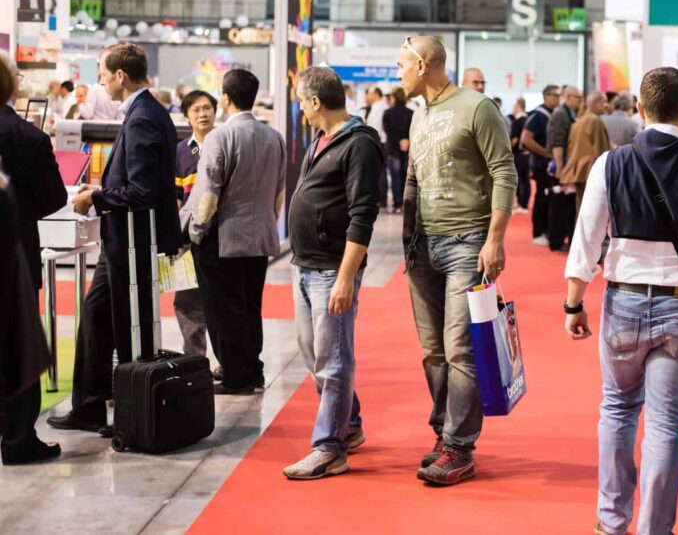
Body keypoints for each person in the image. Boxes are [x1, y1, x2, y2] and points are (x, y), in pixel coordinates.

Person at [562, 66, 678, 535]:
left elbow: (586, 238)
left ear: (640, 109)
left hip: (623, 301)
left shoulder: (612, 163)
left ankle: (611, 521)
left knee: (617, 410)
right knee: (666, 426)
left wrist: (573, 302)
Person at [398, 36, 516, 486]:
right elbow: (413, 179)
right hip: (422, 247)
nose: (398, 74)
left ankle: (459, 446)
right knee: (432, 352)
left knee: (459, 348)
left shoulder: (476, 107)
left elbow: (505, 172)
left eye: (401, 66)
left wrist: (495, 240)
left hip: (468, 242)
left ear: (423, 64)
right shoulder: (420, 114)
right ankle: (443, 432)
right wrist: (407, 240)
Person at [50, 43, 182, 435]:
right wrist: (105, 188)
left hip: (132, 240)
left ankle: (128, 412)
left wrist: (97, 197)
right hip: (124, 239)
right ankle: (91, 407)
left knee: (129, 327)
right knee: (97, 317)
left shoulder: (143, 117)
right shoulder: (148, 111)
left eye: (103, 74)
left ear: (121, 76)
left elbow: (141, 191)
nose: (100, 81)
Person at [283, 67, 384, 480]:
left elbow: (363, 216)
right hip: (304, 265)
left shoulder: (358, 144)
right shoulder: (320, 141)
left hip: (329, 270)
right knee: (314, 355)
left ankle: (330, 447)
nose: (301, 108)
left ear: (314, 101)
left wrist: (346, 276)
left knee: (334, 360)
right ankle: (350, 424)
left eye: (301, 100)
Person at [185, 69, 287, 394]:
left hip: (224, 237)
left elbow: (208, 194)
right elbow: (279, 193)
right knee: (249, 305)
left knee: (223, 310)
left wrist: (196, 232)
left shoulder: (219, 137)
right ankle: (251, 370)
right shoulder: (274, 137)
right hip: (260, 236)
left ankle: (235, 376)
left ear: (225, 98)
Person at [0, 55, 65, 465]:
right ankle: (19, 438)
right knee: (18, 341)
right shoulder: (28, 137)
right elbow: (55, 198)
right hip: (14, 257)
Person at [172, 90, 217, 358]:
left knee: (221, 304)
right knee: (188, 304)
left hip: (220, 238)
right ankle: (195, 361)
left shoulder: (225, 142)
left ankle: (230, 364)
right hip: (188, 240)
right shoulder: (180, 152)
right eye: (196, 110)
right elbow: (176, 198)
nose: (203, 114)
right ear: (187, 117)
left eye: (207, 108)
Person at [521, 85, 561, 245]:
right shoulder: (538, 115)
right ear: (546, 96)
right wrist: (545, 153)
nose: (558, 98)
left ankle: (546, 230)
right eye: (555, 95)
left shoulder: (554, 114)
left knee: (550, 197)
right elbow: (526, 139)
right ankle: (538, 232)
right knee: (541, 198)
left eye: (559, 95)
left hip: (548, 164)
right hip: (541, 164)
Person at [559, 92, 611, 215]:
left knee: (581, 209)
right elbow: (600, 150)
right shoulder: (594, 120)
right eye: (604, 102)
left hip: (579, 171)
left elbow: (571, 147)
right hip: (591, 171)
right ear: (597, 103)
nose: (606, 105)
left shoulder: (579, 121)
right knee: (593, 212)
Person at [547, 85, 582, 251]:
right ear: (568, 97)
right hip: (560, 167)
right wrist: (560, 169)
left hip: (566, 165)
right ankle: (556, 241)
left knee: (565, 206)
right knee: (559, 205)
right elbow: (557, 143)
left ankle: (560, 240)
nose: (580, 101)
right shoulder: (561, 114)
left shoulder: (570, 113)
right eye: (577, 97)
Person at [382, 86, 414, 214]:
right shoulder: (411, 113)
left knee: (395, 177)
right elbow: (413, 129)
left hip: (393, 149)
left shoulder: (387, 113)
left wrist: (399, 141)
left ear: (393, 97)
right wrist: (406, 140)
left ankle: (397, 204)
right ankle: (406, 203)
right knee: (406, 177)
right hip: (406, 149)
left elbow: (387, 130)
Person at [364, 87, 389, 207]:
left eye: (369, 94)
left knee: (380, 172)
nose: (367, 97)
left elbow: (375, 129)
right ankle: (381, 198)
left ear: (375, 94)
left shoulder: (379, 108)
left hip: (379, 142)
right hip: (380, 141)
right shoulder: (378, 107)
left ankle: (381, 198)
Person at [508, 98, 531, 212]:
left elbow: (515, 139)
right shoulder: (528, 119)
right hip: (528, 154)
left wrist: (507, 150)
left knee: (518, 180)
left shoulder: (517, 122)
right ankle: (524, 204)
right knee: (526, 179)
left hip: (518, 155)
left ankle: (521, 203)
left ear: (518, 106)